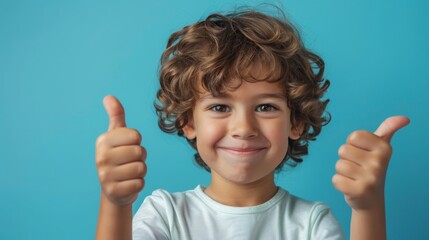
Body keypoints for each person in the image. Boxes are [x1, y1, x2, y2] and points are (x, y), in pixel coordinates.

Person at [95, 8, 410, 240]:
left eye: (265, 106)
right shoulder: (166, 214)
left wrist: (367, 209)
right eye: (220, 106)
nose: (243, 128)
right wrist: (115, 203)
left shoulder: (311, 224)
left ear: (296, 121)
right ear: (188, 121)